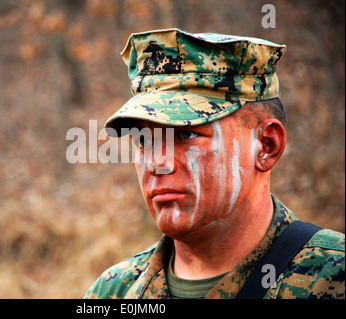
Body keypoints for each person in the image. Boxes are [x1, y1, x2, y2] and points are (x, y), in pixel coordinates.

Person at [84, 28, 345, 299]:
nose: (156, 163)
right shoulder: (114, 291)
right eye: (143, 141)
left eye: (187, 134)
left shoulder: (332, 278)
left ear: (266, 146)